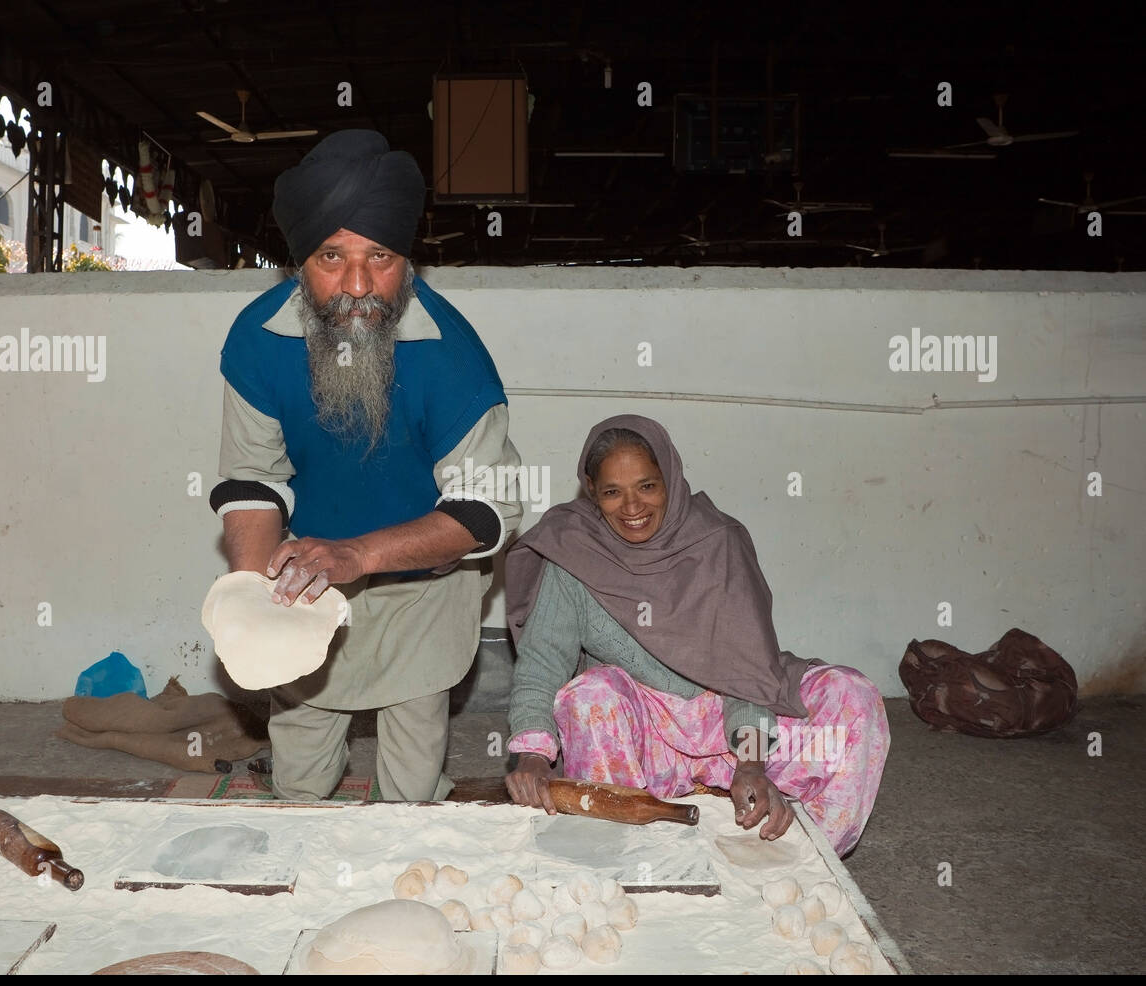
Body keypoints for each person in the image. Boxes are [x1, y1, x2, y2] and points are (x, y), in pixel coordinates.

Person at [209, 129, 523, 802]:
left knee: (408, 802)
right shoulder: (256, 345)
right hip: (308, 578)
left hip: (422, 590)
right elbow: (251, 481)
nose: (357, 285)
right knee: (300, 788)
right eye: (332, 257)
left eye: (379, 256)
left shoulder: (455, 358)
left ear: (408, 261)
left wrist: (358, 554)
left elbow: (484, 510)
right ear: (299, 263)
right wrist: (258, 600)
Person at [502, 414, 888, 856]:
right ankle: (625, 852)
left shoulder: (716, 543)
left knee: (851, 695)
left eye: (647, 486)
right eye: (613, 492)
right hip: (642, 737)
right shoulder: (573, 551)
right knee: (589, 695)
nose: (632, 507)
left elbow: (746, 671)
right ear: (591, 491)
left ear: (670, 477)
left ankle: (800, 857)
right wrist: (532, 754)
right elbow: (540, 664)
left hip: (732, 721)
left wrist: (751, 760)